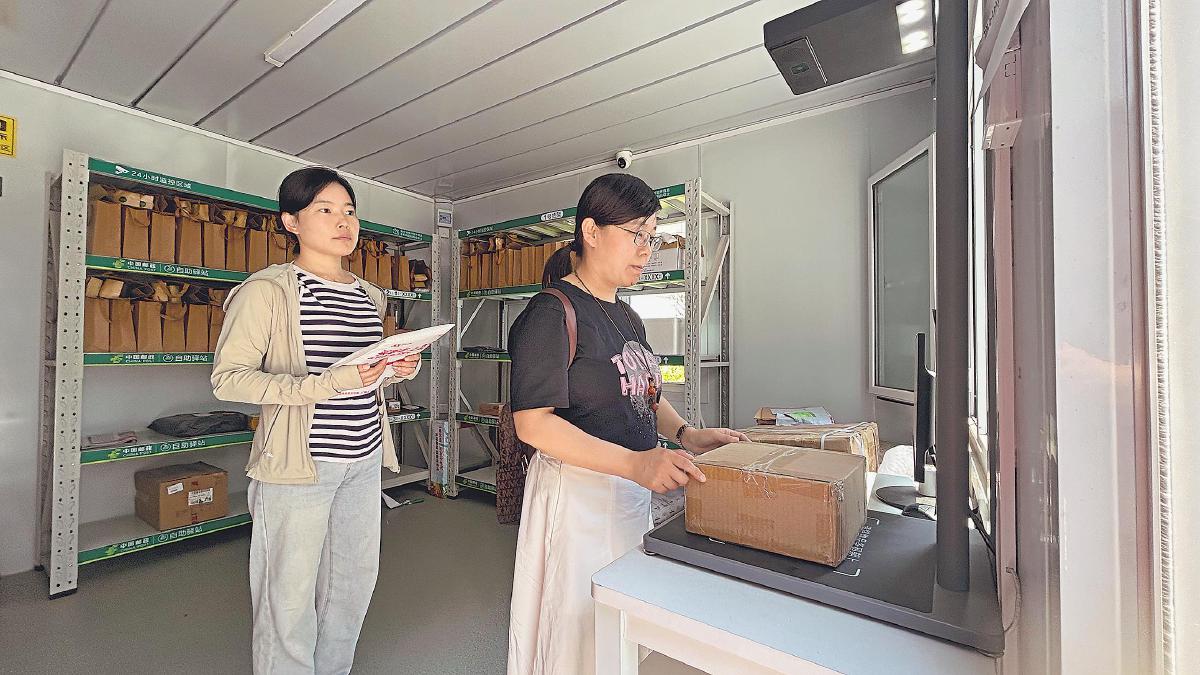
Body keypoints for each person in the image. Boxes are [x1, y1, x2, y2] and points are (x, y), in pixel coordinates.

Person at [505, 173, 749, 674]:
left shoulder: (627, 316)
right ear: (591, 231)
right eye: (637, 234)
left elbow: (644, 394)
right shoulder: (551, 313)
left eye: (652, 237)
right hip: (577, 498)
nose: (646, 250)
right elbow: (533, 425)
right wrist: (635, 464)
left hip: (628, 492)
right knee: (575, 629)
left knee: (620, 625)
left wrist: (686, 434)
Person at [211, 166, 422, 674]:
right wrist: (325, 384)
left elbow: (360, 377)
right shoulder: (268, 291)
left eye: (349, 211)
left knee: (351, 585)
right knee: (287, 596)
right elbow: (228, 380)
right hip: (297, 466)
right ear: (291, 222)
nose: (343, 222)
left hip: (363, 458)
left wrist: (396, 369)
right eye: (325, 210)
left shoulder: (370, 295)